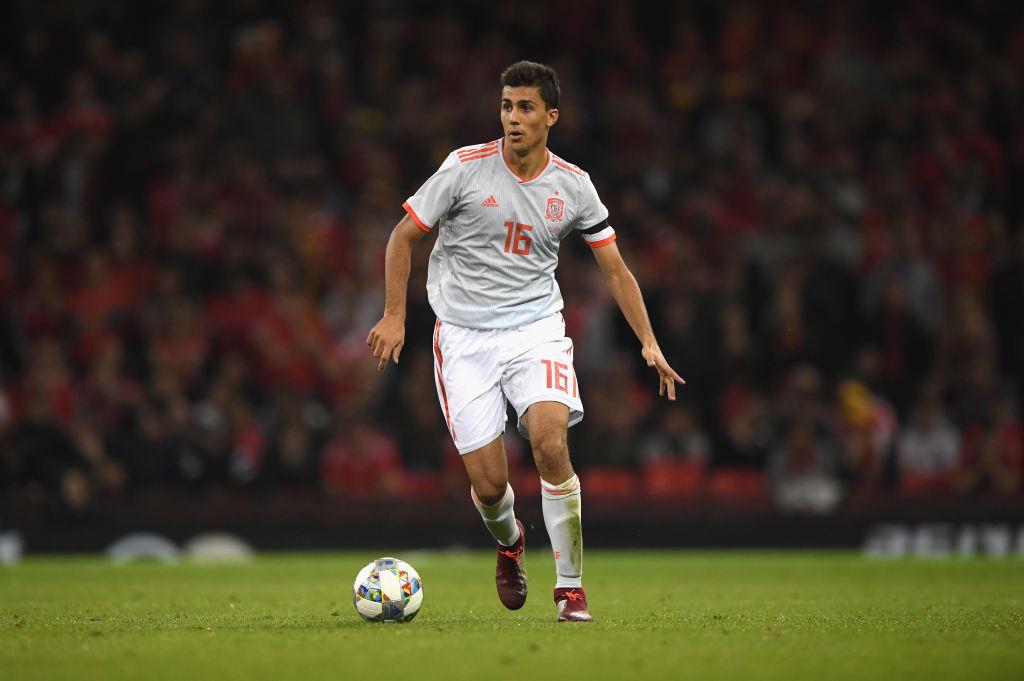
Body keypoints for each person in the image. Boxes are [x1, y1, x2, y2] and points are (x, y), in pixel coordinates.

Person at [367, 61, 683, 622]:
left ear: (551, 117)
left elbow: (614, 269)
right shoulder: (464, 169)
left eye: (526, 108)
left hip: (535, 329)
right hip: (463, 336)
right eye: (507, 106)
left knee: (550, 443)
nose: (513, 118)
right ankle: (510, 542)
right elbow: (402, 237)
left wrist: (649, 342)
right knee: (490, 485)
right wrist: (395, 315)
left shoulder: (573, 186)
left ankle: (570, 590)